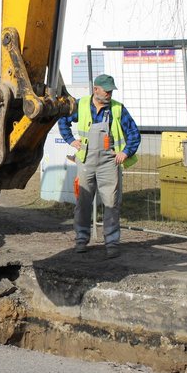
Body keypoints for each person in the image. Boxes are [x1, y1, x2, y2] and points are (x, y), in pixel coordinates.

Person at [58, 74, 140, 257]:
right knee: (83, 202)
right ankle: (81, 240)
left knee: (111, 203)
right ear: (96, 89)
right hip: (86, 160)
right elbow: (63, 120)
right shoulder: (80, 105)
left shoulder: (117, 109)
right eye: (106, 91)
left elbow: (134, 133)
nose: (109, 94)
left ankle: (112, 243)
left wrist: (125, 152)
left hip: (109, 162)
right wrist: (71, 140)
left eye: (111, 91)